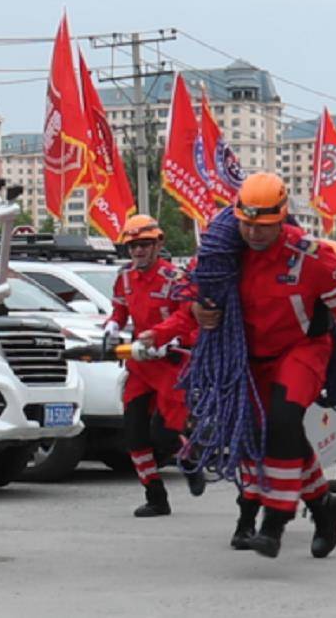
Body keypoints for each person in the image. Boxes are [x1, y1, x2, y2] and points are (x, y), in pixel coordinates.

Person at [139, 173, 336, 559]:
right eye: (247, 224)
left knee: (283, 421)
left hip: (302, 351)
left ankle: (275, 521)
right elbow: (193, 303)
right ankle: (324, 506)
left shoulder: (312, 258)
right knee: (270, 438)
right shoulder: (222, 255)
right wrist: (173, 325)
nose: (254, 234)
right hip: (248, 361)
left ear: (282, 219)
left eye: (263, 226)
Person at [102, 214, 204, 517]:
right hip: (140, 365)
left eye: (144, 244)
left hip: (171, 365)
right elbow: (119, 312)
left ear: (158, 243)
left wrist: (164, 338)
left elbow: (187, 316)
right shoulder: (124, 278)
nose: (138, 251)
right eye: (133, 245)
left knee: (163, 434)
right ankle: (155, 495)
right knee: (133, 435)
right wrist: (111, 328)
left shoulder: (176, 278)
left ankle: (188, 459)